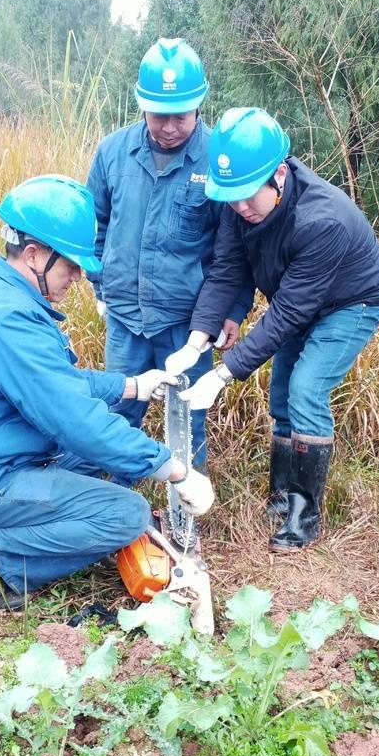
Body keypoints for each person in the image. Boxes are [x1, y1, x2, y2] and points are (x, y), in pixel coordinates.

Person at [0, 175, 215, 612]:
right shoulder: (11, 323)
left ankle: (38, 523)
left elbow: (54, 382)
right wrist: (174, 470)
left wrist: (132, 385)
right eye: (70, 264)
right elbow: (76, 421)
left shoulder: (4, 298)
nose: (76, 276)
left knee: (112, 441)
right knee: (125, 515)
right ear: (34, 254)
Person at [165, 108, 379, 551]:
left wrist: (223, 373)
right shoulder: (237, 201)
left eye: (250, 196)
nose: (241, 207)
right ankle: (281, 496)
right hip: (298, 297)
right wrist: (196, 341)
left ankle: (304, 516)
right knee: (283, 394)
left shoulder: (322, 220)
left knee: (306, 388)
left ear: (280, 175)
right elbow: (228, 270)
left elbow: (288, 313)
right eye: (232, 197)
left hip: (351, 302)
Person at [86, 38, 251, 474]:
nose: (171, 127)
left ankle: (185, 515)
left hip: (187, 324)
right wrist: (100, 287)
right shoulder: (112, 153)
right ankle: (117, 512)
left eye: (182, 115)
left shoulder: (218, 163)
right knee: (120, 414)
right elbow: (94, 227)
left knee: (187, 418)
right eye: (160, 115)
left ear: (199, 106)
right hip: (124, 318)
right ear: (143, 106)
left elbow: (234, 252)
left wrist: (232, 310)